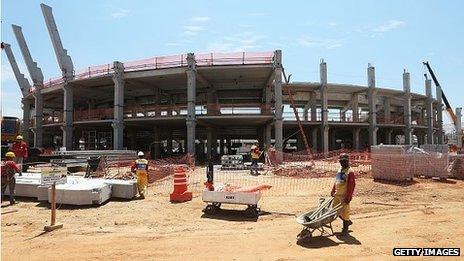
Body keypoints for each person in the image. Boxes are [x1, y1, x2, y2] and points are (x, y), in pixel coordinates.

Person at [330, 153, 356, 235]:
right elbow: (337, 181)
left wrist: (348, 197)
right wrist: (333, 190)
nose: (342, 162)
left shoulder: (350, 172)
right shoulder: (340, 170)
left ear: (348, 161)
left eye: (344, 161)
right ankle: (348, 222)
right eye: (341, 161)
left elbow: (351, 185)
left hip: (344, 196)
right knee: (334, 211)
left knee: (345, 212)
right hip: (337, 195)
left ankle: (345, 228)